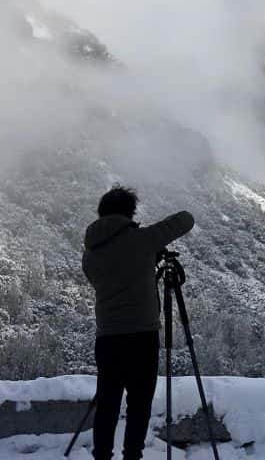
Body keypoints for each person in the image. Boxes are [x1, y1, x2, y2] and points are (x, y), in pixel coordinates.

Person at [82, 185, 195, 460]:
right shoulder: (143, 240)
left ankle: (101, 456)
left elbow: (116, 274)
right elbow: (186, 219)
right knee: (139, 404)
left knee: (107, 403)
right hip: (142, 339)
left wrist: (144, 259)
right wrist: (148, 250)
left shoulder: (90, 254)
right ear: (129, 213)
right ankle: (132, 455)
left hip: (107, 339)